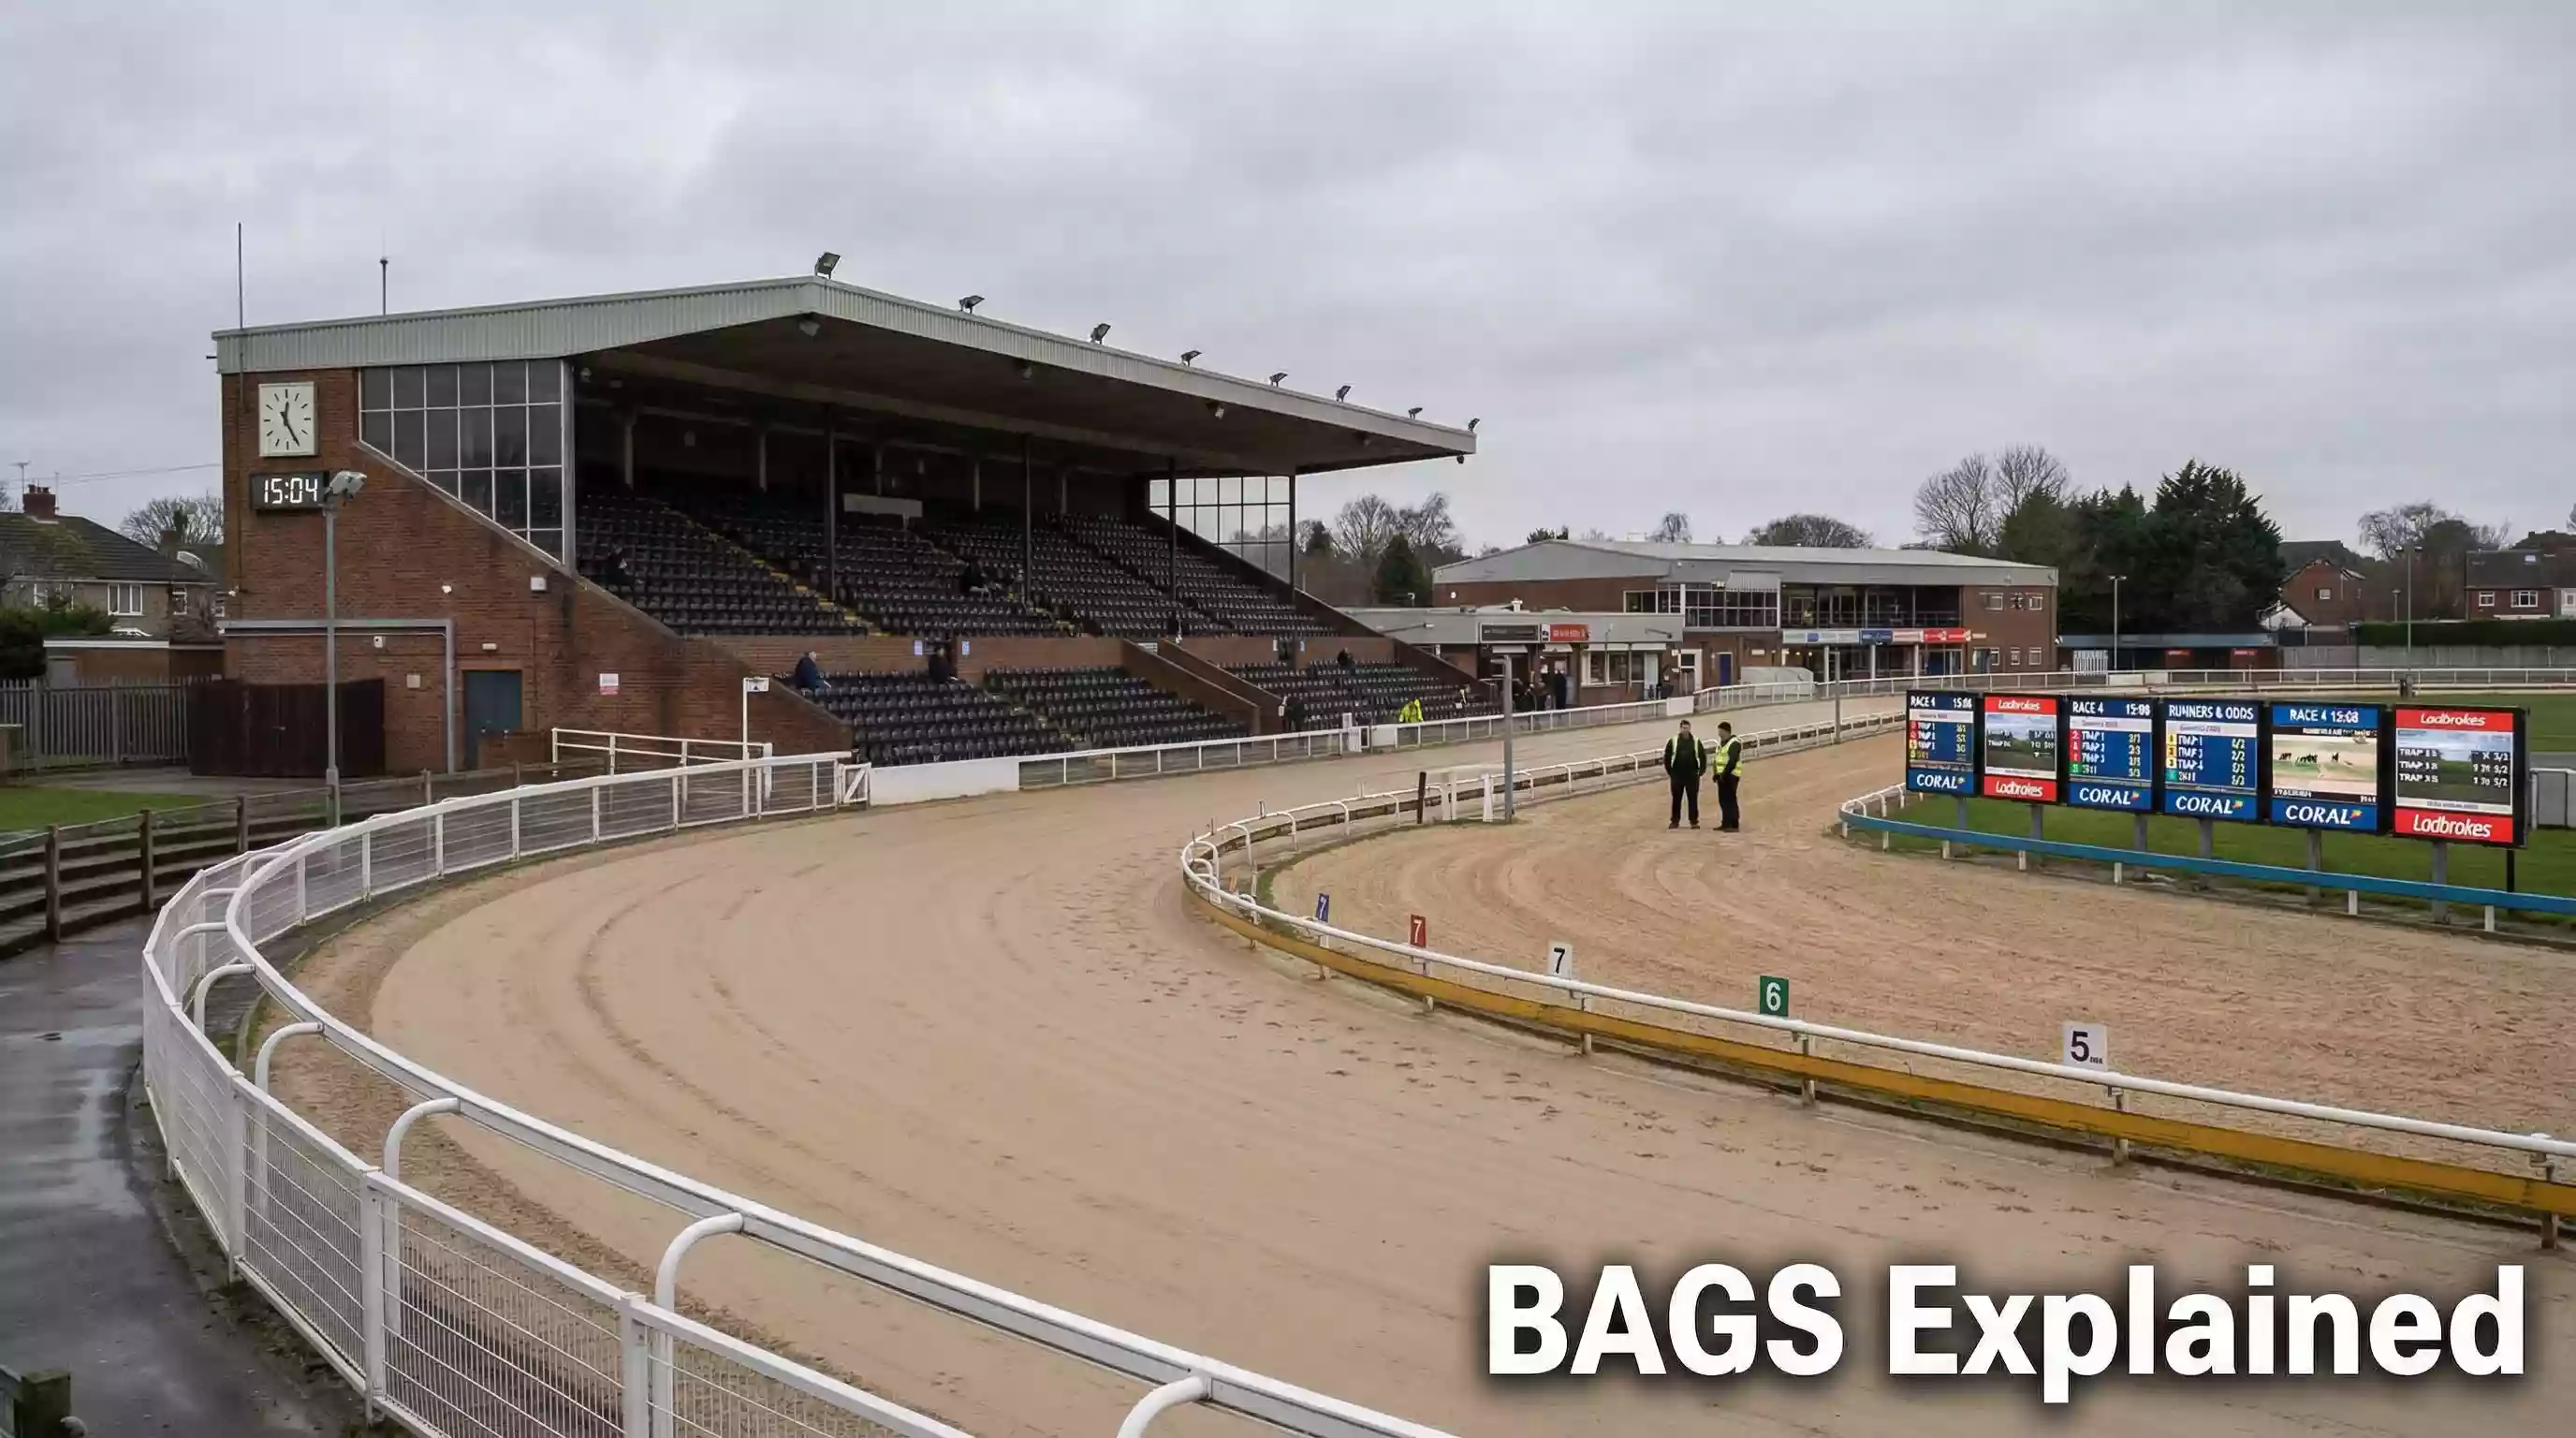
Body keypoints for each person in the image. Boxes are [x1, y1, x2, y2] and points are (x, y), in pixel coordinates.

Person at [1662, 718, 1709, 829]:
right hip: (1677, 775)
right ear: (1680, 728)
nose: (1685, 730)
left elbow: (1702, 757)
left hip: (1692, 775)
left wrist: (1701, 771)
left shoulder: (1696, 741)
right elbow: (1667, 757)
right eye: (1684, 728)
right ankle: (1675, 821)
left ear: (1690, 728)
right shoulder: (1673, 741)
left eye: (1687, 728)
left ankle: (1694, 821)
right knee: (1676, 799)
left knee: (1693, 799)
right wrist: (1671, 772)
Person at [1713, 720, 1745, 831]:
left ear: (1726, 731)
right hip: (1722, 776)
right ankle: (1725, 823)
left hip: (1731, 776)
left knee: (1731, 800)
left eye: (1720, 731)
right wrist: (1716, 774)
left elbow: (1732, 761)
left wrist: (1724, 774)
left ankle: (1734, 824)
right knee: (1723, 800)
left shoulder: (1734, 743)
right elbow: (1717, 759)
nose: (1719, 734)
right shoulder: (1720, 743)